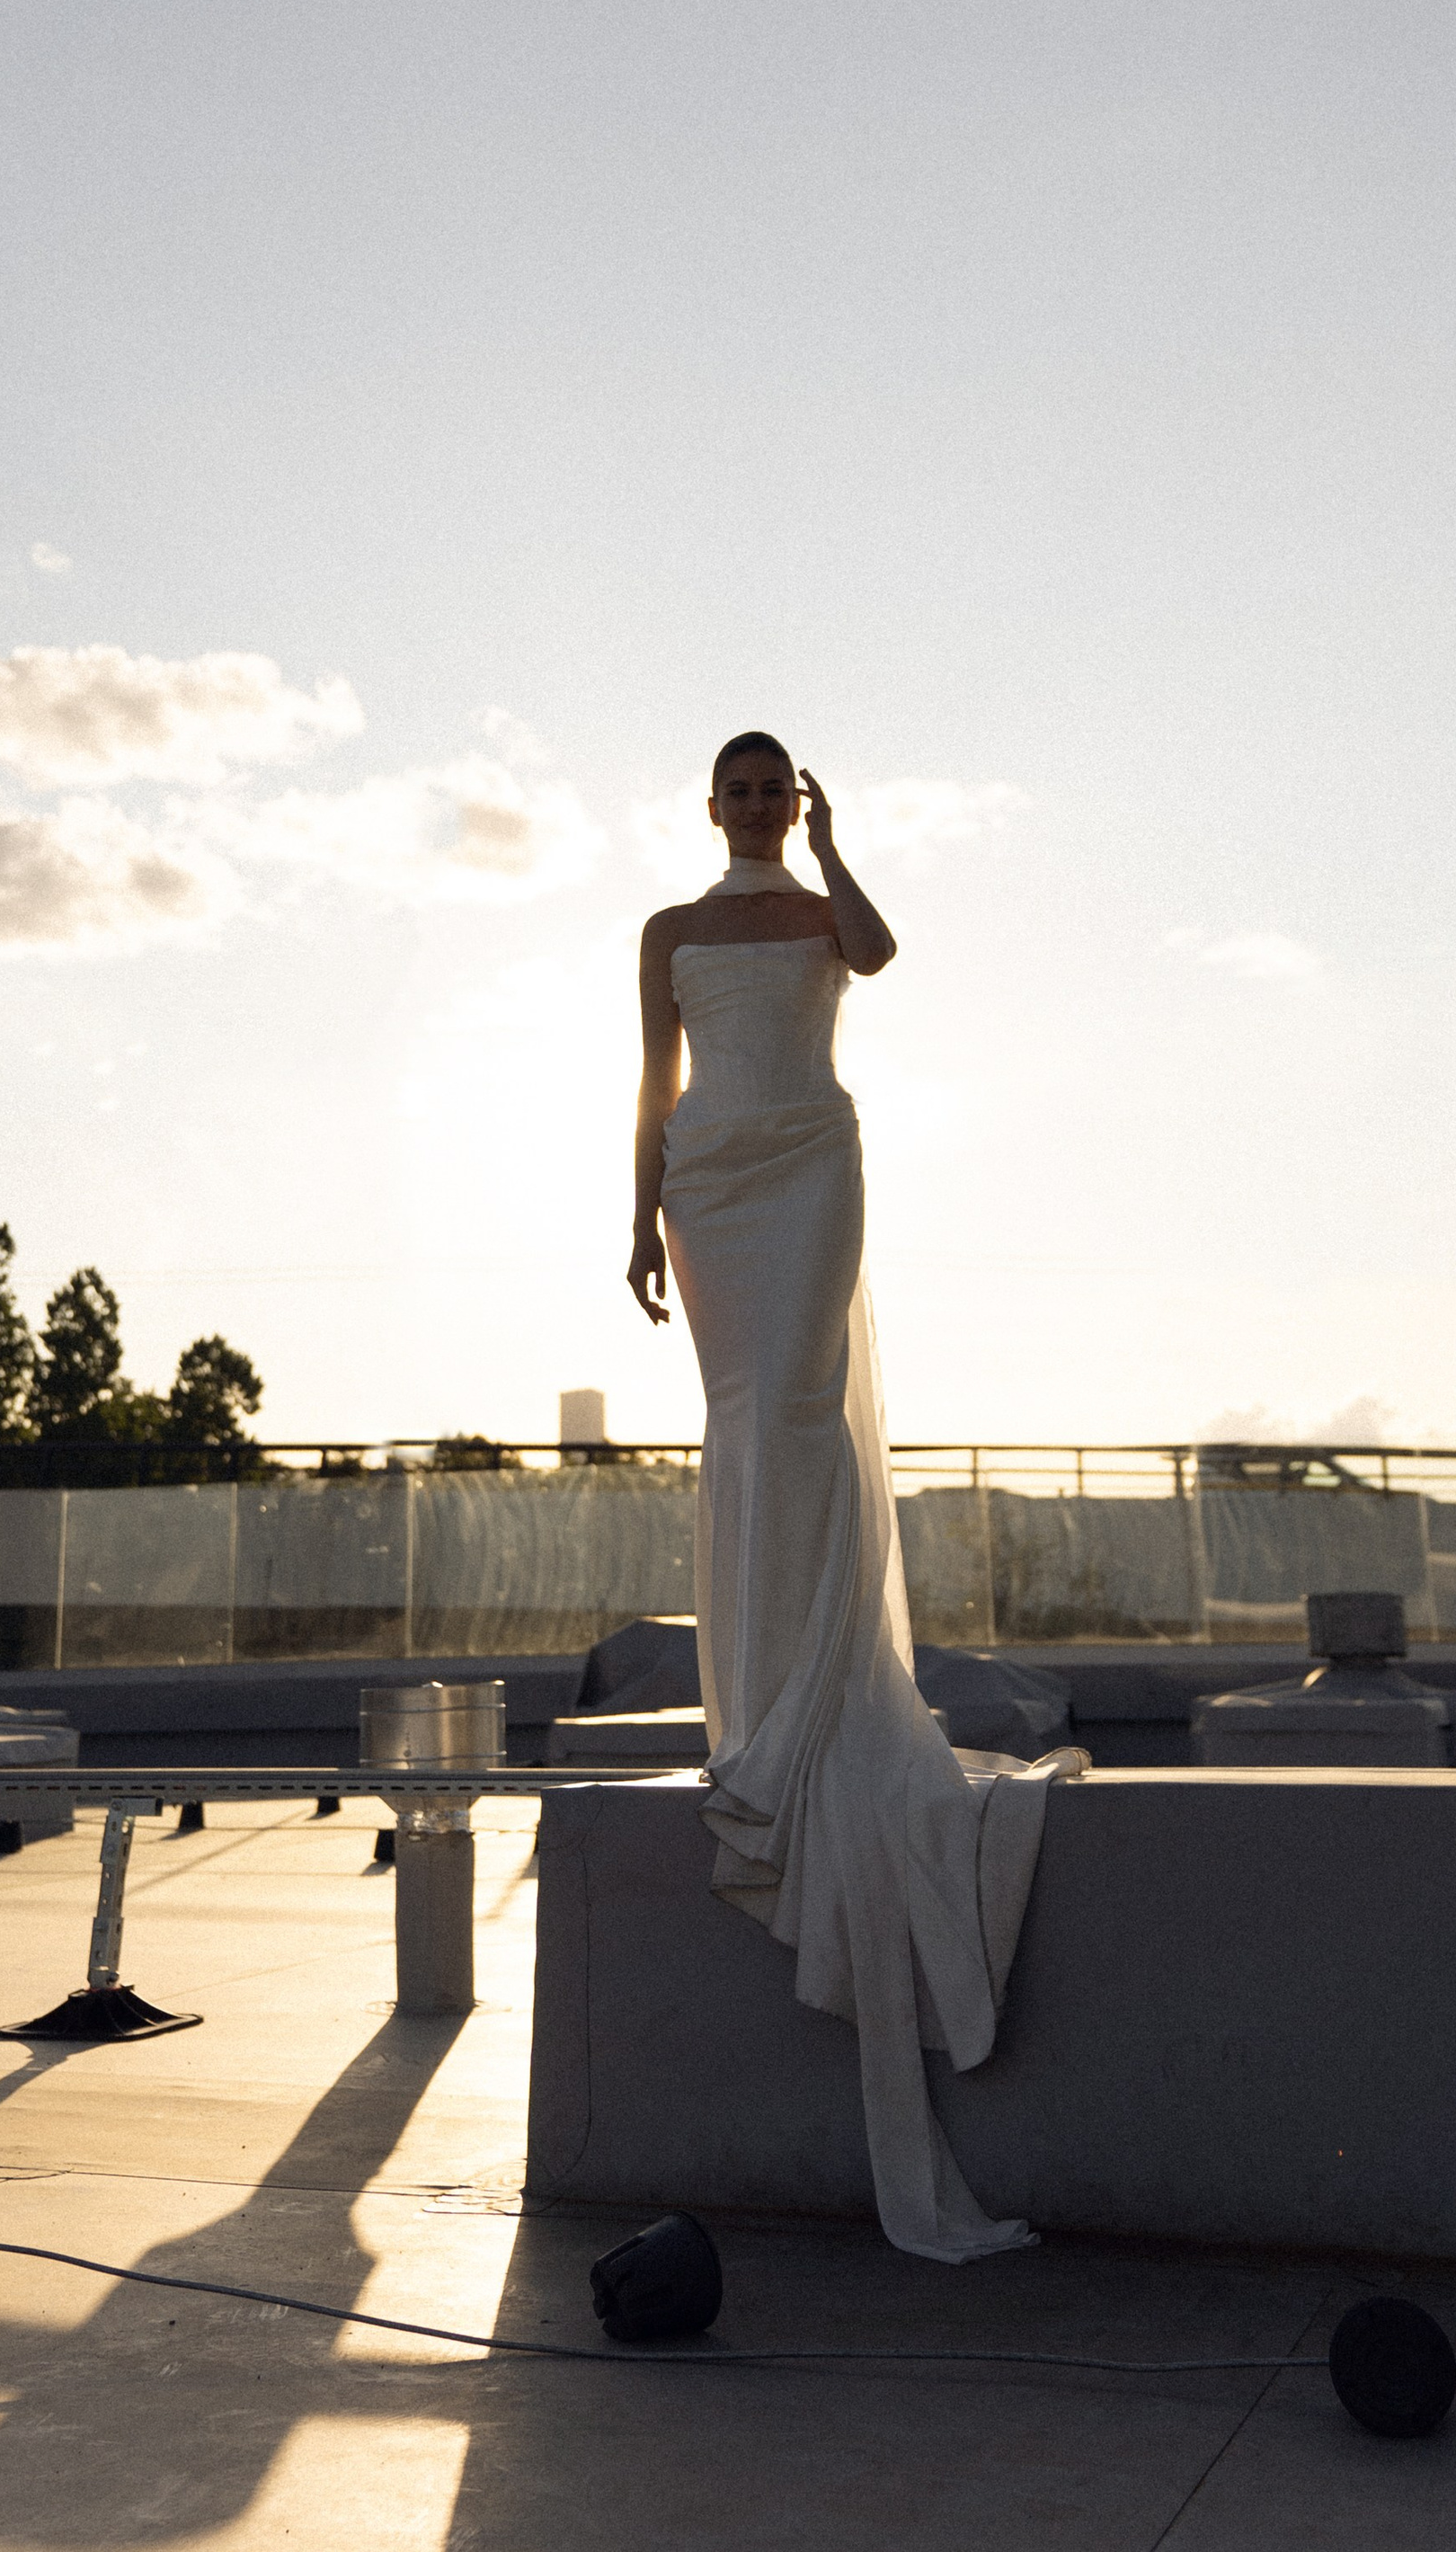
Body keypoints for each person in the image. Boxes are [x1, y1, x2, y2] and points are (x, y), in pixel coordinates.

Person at [628, 733, 1052, 2261]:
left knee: (805, 1412)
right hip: (707, 1177)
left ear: (788, 802)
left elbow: (878, 948)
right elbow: (653, 1076)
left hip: (808, 1162)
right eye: (736, 790)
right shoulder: (670, 933)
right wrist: (634, 1215)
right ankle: (758, 1702)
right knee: (744, 1422)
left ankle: (822, 1695)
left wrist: (836, 844)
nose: (752, 805)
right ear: (708, 805)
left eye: (774, 788)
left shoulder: (818, 916)